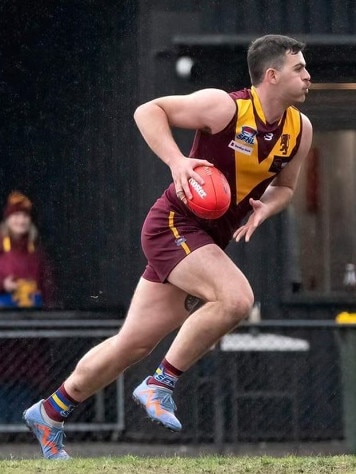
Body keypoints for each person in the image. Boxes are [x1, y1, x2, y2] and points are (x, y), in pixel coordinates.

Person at [23, 34, 312, 460]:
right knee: (236, 299)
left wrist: (265, 208)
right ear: (272, 76)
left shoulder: (298, 129)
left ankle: (50, 412)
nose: (308, 76)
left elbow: (285, 187)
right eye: (299, 68)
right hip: (174, 224)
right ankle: (161, 382)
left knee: (132, 344)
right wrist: (177, 162)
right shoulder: (224, 106)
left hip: (205, 240)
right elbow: (148, 110)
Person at [0, 191, 56, 308]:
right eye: (16, 216)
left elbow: (47, 282)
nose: (21, 221)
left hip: (33, 309)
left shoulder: (36, 248)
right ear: (8, 219)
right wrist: (4, 284)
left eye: (25, 216)